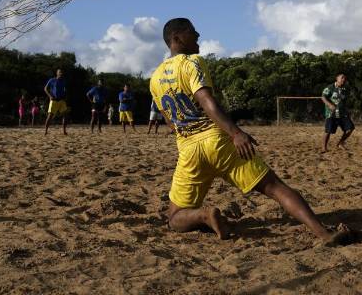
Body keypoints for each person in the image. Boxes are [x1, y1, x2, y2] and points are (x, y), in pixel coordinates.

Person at [150, 17, 350, 244]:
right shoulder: (191, 63)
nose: (197, 35)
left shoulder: (155, 78)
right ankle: (324, 233)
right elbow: (207, 102)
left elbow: (170, 121)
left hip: (188, 150)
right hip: (219, 141)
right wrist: (236, 133)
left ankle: (204, 215)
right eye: (191, 31)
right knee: (275, 188)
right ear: (176, 38)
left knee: (174, 217)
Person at [320, 73, 354, 153]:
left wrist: (346, 110)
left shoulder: (345, 89)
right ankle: (324, 147)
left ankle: (340, 143)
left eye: (344, 78)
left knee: (350, 128)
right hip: (331, 113)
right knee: (328, 131)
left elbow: (344, 101)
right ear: (337, 78)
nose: (343, 80)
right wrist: (330, 105)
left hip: (342, 113)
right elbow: (323, 97)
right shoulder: (330, 87)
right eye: (342, 78)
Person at [43, 68, 69, 136]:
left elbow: (65, 89)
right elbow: (45, 88)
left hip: (61, 100)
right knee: (50, 116)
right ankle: (45, 131)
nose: (61, 73)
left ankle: (64, 131)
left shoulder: (64, 81)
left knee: (65, 115)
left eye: (62, 72)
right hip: (54, 100)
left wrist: (65, 96)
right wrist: (49, 96)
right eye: (60, 72)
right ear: (57, 73)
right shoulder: (52, 80)